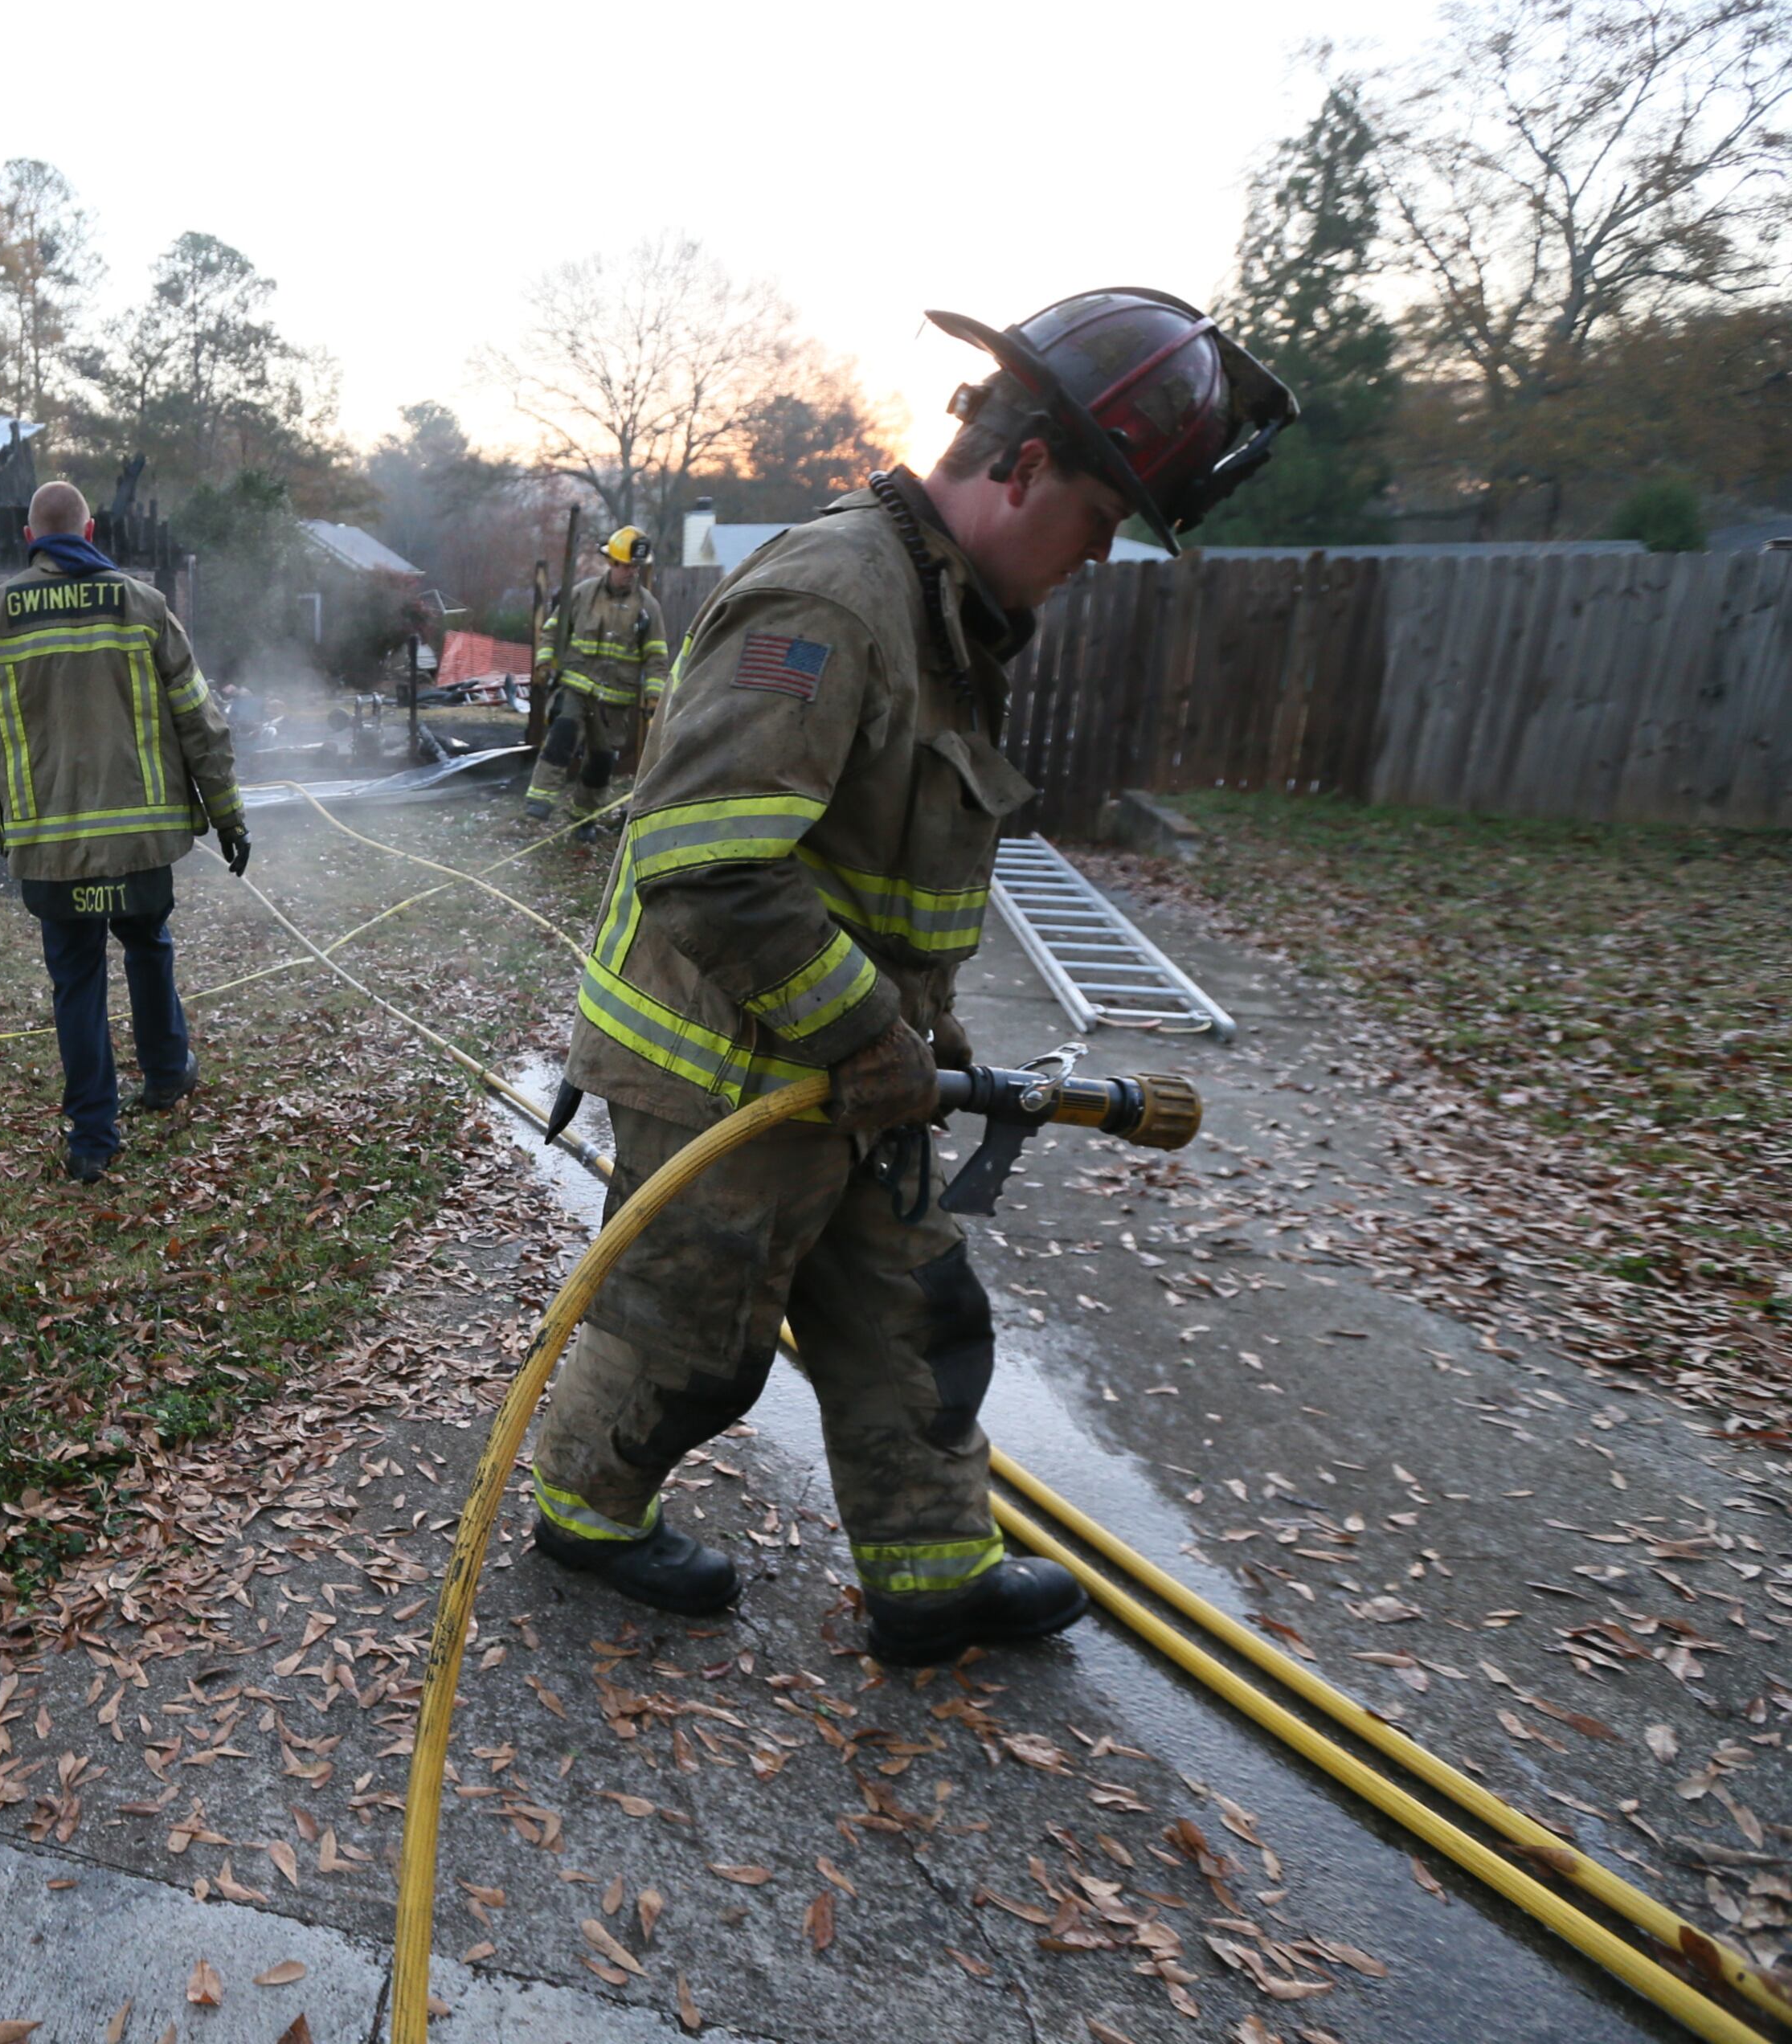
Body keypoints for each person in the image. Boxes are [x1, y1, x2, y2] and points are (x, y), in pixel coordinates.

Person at [527, 291, 1295, 1662]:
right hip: (721, 1071)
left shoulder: (950, 620)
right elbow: (705, 859)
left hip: (852, 1071)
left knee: (912, 1308)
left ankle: (932, 1572)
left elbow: (886, 874)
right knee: (691, 1337)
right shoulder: (834, 599)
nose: (1094, 561)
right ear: (1025, 469)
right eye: (1101, 526)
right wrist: (872, 1033)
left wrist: (910, 1042)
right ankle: (585, 1515)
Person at [0, 481, 249, 1183]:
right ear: (89, 531)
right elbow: (200, 721)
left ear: (30, 538)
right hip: (141, 840)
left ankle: (92, 1139)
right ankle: (168, 1074)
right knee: (147, 942)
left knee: (75, 978)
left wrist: (6, 806)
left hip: (49, 849)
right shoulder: (144, 608)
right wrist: (228, 814)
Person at [524, 528, 669, 822]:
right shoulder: (583, 594)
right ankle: (537, 806)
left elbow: (656, 657)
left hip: (615, 702)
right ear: (612, 563)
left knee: (602, 761)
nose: (632, 573)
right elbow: (552, 631)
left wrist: (655, 699)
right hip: (576, 689)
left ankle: (583, 817)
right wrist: (544, 664)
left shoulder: (648, 608)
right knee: (561, 739)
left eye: (636, 567)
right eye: (626, 566)